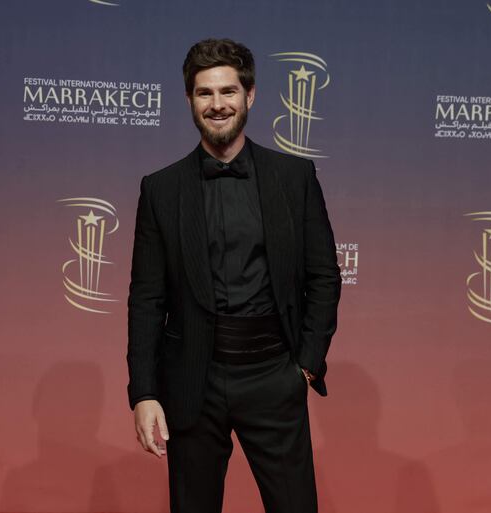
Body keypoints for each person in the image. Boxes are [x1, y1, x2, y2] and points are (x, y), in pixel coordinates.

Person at [127, 38, 341, 513]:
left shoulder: (294, 177)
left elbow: (324, 275)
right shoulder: (160, 189)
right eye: (205, 93)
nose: (218, 105)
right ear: (189, 100)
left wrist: (305, 363)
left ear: (250, 96)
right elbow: (146, 299)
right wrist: (143, 391)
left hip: (272, 372)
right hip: (192, 379)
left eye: (228, 91)